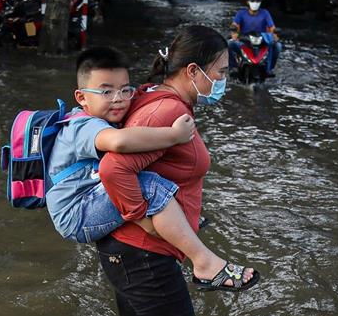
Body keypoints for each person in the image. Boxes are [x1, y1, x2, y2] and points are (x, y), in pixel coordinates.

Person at [96, 26, 260, 316]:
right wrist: (145, 222)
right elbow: (114, 168)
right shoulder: (166, 110)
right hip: (143, 254)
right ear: (192, 71)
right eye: (219, 73)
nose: (222, 82)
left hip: (127, 252)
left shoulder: (157, 98)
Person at [46, 46, 249, 289]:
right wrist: (174, 135)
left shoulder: (103, 117)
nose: (118, 98)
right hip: (76, 213)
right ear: (81, 98)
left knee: (144, 178)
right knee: (148, 185)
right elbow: (120, 143)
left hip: (88, 199)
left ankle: (178, 223)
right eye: (106, 92)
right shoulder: (83, 127)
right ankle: (203, 262)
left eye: (125, 90)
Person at [229, 0, 281, 76]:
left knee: (278, 46)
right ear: (248, 2)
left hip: (262, 41)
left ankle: (269, 69)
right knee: (229, 44)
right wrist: (234, 31)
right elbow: (235, 24)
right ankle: (233, 67)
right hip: (244, 41)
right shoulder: (241, 13)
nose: (255, 3)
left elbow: (272, 27)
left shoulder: (265, 13)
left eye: (258, 1)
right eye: (253, 0)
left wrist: (275, 35)